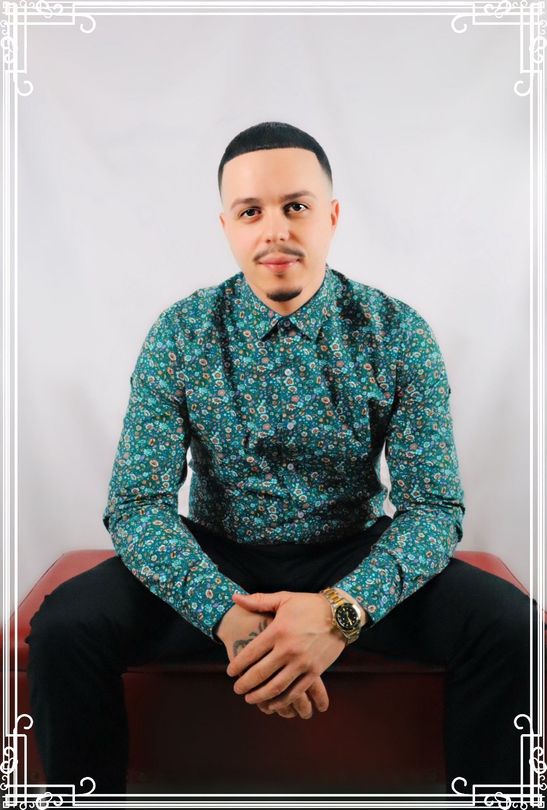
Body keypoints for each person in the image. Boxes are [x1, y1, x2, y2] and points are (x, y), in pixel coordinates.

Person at [26, 121, 539, 798]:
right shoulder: (180, 333)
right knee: (64, 627)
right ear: (227, 226)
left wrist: (338, 614)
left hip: (350, 553)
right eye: (250, 212)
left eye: (295, 206)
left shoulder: (398, 332)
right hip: (216, 557)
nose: (274, 230)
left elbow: (432, 509)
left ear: (330, 216)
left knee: (510, 627)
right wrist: (232, 622)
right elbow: (137, 505)